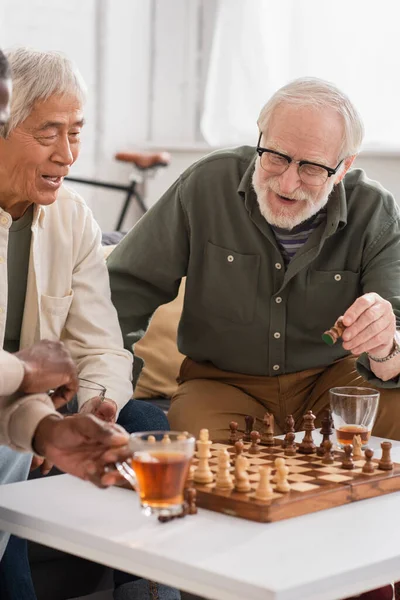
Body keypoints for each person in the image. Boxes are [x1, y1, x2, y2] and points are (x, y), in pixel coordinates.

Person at [108, 76, 400, 444]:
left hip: (332, 380)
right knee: (195, 451)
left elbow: (395, 330)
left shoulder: (375, 209)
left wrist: (388, 346)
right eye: (275, 156)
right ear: (259, 138)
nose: (287, 183)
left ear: (343, 167)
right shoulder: (206, 184)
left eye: (312, 167)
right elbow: (126, 289)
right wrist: (106, 387)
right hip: (224, 385)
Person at [0, 47, 177, 600]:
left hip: (36, 404)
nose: (68, 154)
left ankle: (149, 591)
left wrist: (98, 405)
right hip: (16, 409)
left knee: (146, 426)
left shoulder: (73, 217)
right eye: (48, 132)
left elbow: (102, 343)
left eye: (76, 132)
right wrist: (33, 419)